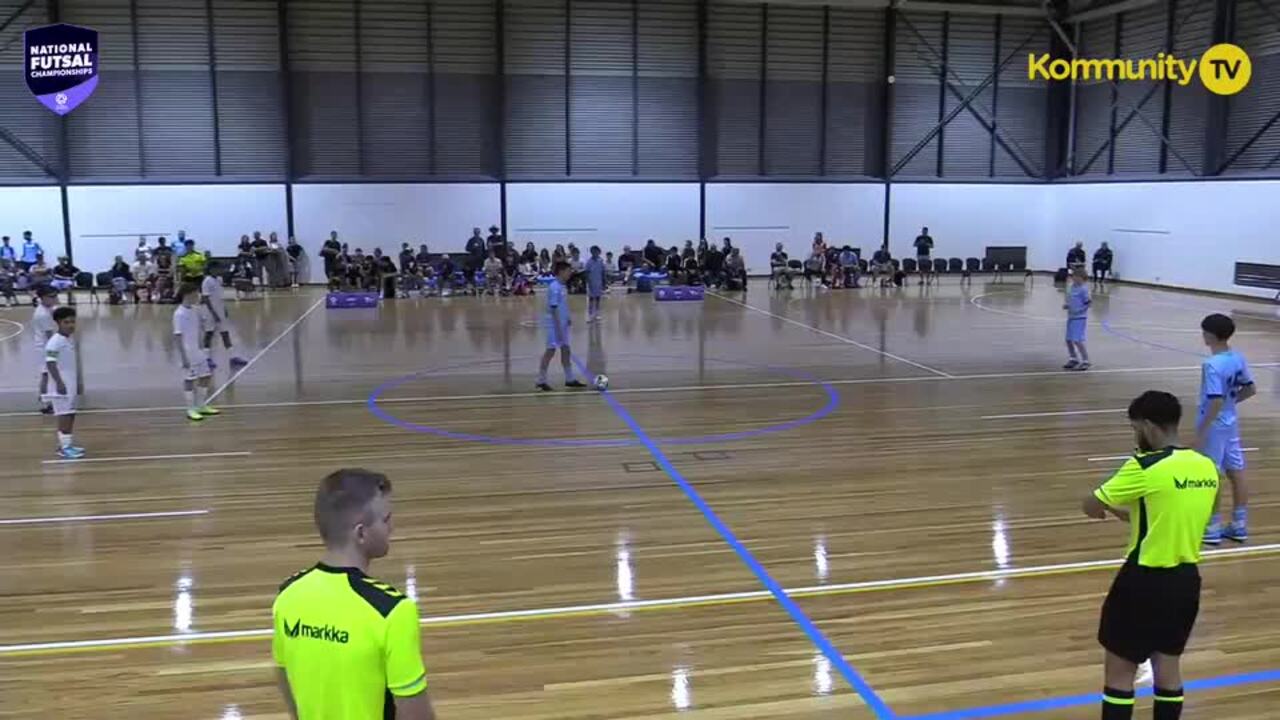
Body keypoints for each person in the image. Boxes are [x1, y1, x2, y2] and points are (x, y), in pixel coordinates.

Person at [1082, 390, 1218, 720]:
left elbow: (1091, 503)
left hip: (1142, 581)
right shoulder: (1207, 467)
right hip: (1185, 583)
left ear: (1147, 425)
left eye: (1134, 429)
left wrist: (1106, 509)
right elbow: (1172, 514)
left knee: (1119, 674)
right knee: (1168, 668)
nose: (1135, 436)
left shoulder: (1143, 466)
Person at [273, 469, 436, 720]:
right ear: (361, 533)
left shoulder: (288, 595)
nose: (391, 527)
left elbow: (284, 674)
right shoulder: (392, 611)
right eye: (385, 519)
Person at [1197, 313, 1256, 545]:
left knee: (1211, 475)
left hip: (1214, 425)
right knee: (1236, 471)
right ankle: (1239, 524)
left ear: (1211, 335)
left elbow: (1215, 400)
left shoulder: (1211, 365)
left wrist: (1201, 429)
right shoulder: (1237, 358)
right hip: (1231, 423)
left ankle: (1211, 526)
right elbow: (1250, 389)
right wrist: (1231, 404)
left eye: (1204, 331)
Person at [537, 261, 585, 392]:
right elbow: (553, 309)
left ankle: (570, 379)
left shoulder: (563, 287)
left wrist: (567, 318)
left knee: (566, 350)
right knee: (550, 351)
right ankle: (541, 380)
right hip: (554, 325)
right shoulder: (554, 287)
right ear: (561, 271)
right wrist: (558, 328)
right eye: (568, 271)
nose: (570, 274)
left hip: (562, 324)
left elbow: (562, 305)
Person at [175, 283, 220, 422]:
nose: (197, 296)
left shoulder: (195, 310)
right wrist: (183, 357)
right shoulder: (179, 313)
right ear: (187, 295)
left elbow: (201, 328)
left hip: (197, 350)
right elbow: (177, 336)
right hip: (187, 352)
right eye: (195, 294)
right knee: (190, 380)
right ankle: (190, 409)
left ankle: (201, 405)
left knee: (206, 376)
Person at [43, 306, 83, 459]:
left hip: (69, 385)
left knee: (70, 414)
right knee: (64, 416)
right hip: (61, 386)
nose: (71, 325)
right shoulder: (54, 342)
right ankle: (64, 448)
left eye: (73, 322)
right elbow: (50, 363)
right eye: (67, 322)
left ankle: (68, 444)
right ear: (59, 323)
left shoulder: (68, 339)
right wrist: (59, 383)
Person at [201, 262, 248, 369]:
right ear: (210, 269)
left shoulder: (219, 279)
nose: (218, 270)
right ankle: (206, 358)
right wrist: (213, 313)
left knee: (225, 334)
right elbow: (205, 299)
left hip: (220, 311)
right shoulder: (206, 281)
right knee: (209, 335)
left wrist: (224, 309)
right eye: (216, 268)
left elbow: (219, 296)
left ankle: (233, 357)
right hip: (210, 313)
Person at [31, 286, 59, 414]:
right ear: (43, 298)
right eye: (52, 297)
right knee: (48, 374)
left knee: (48, 374)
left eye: (55, 296)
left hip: (46, 346)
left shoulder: (47, 308)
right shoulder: (42, 314)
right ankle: (47, 402)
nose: (55, 299)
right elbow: (50, 337)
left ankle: (44, 397)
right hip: (46, 348)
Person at [1063, 267, 1092, 371]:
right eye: (1073, 276)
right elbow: (1069, 299)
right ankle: (1073, 358)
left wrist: (1079, 310)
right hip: (1071, 317)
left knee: (1077, 340)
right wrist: (1067, 305)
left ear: (1082, 278)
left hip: (1079, 318)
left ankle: (1086, 361)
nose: (1074, 279)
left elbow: (1088, 303)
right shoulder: (1071, 287)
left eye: (1077, 277)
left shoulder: (1084, 289)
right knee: (1068, 340)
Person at [585, 245, 606, 322]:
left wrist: (604, 282)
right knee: (591, 299)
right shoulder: (589, 262)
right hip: (591, 283)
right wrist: (588, 282)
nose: (595, 253)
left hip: (599, 282)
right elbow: (586, 273)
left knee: (598, 299)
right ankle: (590, 315)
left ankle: (597, 314)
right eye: (593, 251)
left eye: (597, 251)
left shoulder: (601, 261)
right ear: (591, 252)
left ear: (599, 252)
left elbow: (603, 272)